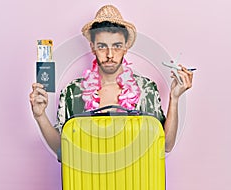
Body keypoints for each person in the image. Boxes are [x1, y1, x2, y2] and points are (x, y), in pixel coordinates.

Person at [29, 5, 193, 158]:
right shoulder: (73, 92)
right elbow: (62, 149)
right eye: (102, 46)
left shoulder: (146, 89)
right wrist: (40, 115)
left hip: (135, 183)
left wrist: (175, 98)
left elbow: (166, 145)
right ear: (92, 46)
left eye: (116, 46)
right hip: (87, 184)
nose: (109, 55)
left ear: (126, 47)